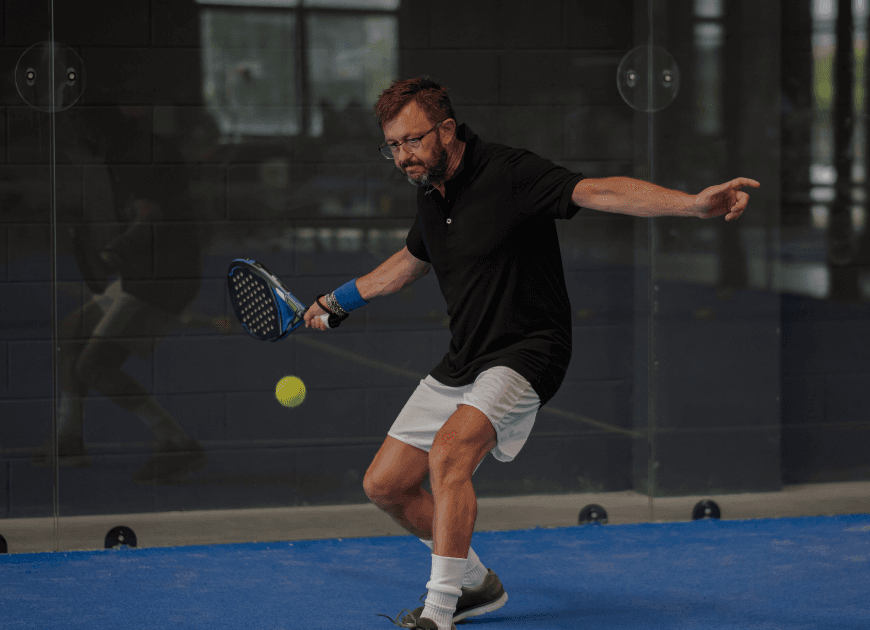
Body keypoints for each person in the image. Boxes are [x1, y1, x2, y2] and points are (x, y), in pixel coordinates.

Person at [301, 77, 759, 630]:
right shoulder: (430, 192)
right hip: (467, 356)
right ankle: (474, 585)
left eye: (413, 140)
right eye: (392, 145)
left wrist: (693, 205)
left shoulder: (510, 173)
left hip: (529, 349)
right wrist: (337, 301)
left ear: (446, 128)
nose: (403, 156)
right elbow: (409, 261)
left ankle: (439, 613)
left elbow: (600, 191)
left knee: (449, 456)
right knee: (386, 485)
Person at [33, 106, 208, 485]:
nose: (67, 143)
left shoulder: (134, 157)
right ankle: (69, 439)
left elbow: (150, 217)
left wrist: (114, 253)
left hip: (161, 278)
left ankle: (177, 443)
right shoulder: (130, 151)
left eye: (71, 133)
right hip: (146, 270)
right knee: (74, 328)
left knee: (94, 366)